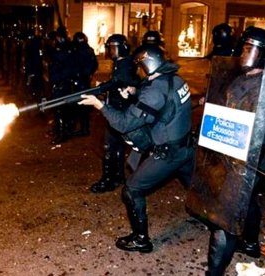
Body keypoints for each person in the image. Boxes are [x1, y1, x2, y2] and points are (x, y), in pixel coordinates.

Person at [187, 27, 265, 276]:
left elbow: (261, 132)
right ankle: (251, 243)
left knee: (225, 219)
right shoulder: (240, 77)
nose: (244, 53)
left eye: (250, 49)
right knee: (247, 200)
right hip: (226, 153)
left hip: (247, 160)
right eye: (243, 47)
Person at [79, 44, 195, 252]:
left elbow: (124, 123)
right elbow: (160, 101)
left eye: (141, 67)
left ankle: (141, 239)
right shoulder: (176, 79)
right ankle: (208, 217)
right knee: (195, 186)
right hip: (186, 147)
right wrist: (135, 92)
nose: (140, 72)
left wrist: (100, 105)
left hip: (169, 153)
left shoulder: (154, 90)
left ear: (148, 64)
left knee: (132, 190)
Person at [88, 34, 140, 193]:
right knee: (116, 146)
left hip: (119, 110)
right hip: (119, 108)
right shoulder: (122, 63)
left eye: (114, 48)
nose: (111, 51)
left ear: (123, 47)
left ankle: (108, 180)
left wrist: (102, 88)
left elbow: (119, 82)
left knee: (110, 146)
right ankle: (117, 176)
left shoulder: (125, 64)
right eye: (110, 48)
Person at [46, 27, 77, 144]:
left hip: (62, 83)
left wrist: (57, 80)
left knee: (60, 109)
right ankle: (61, 131)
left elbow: (63, 67)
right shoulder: (66, 49)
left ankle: (61, 134)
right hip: (62, 82)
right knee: (61, 109)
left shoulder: (63, 51)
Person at [71, 32, 98, 136]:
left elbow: (74, 66)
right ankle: (84, 128)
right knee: (84, 105)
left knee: (79, 105)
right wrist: (89, 73)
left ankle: (82, 129)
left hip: (79, 80)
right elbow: (95, 64)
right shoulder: (89, 50)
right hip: (85, 80)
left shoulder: (77, 51)